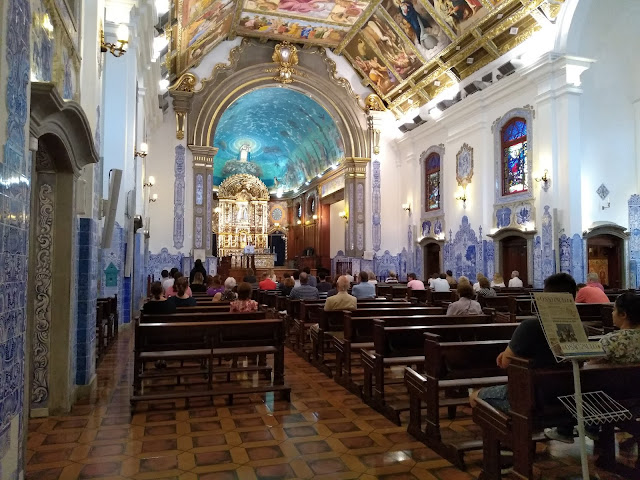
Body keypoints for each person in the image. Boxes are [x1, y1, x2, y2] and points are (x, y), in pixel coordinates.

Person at [470, 273, 576, 413]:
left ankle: (503, 433)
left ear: (545, 298)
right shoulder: (580, 329)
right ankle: (563, 431)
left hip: (532, 397)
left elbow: (506, 363)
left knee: (474, 396)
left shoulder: (530, 327)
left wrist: (508, 354)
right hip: (569, 398)